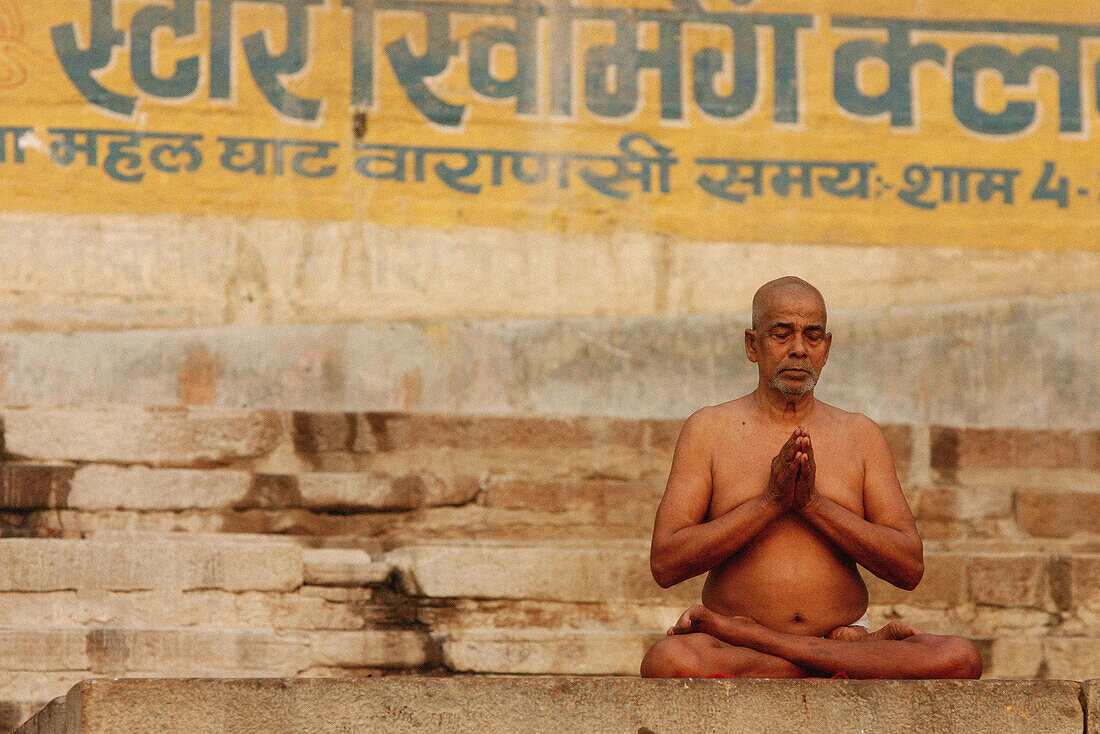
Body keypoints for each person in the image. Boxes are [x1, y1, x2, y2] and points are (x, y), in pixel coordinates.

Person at [639, 276, 982, 679]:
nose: (799, 349)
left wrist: (813, 505)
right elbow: (665, 562)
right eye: (782, 334)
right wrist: (769, 503)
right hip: (746, 648)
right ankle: (824, 660)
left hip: (789, 645)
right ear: (753, 345)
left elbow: (908, 567)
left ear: (827, 348)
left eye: (813, 336)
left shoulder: (860, 434)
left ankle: (783, 655)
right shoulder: (709, 429)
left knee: (960, 657)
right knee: (669, 661)